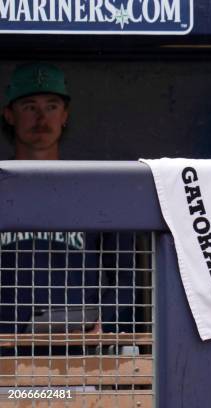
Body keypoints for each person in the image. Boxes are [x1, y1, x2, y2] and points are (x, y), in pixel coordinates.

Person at [0, 63, 136, 355]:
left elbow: (127, 277)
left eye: (51, 106)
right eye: (29, 106)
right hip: (4, 351)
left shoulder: (94, 186)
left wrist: (103, 319)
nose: (41, 117)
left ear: (65, 116)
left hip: (74, 354)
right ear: (9, 114)